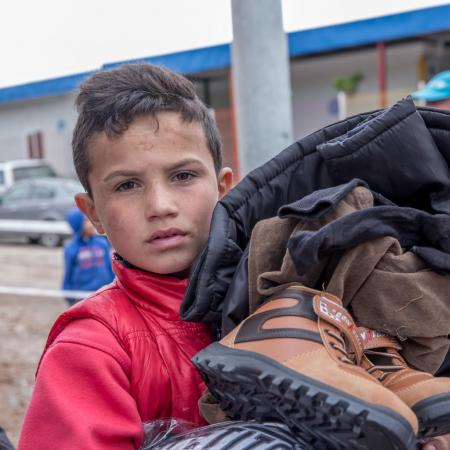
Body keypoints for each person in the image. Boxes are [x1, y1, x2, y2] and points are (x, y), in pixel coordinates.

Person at [18, 63, 233, 450]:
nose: (160, 206)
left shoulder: (281, 295)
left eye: (183, 176)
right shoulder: (91, 349)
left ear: (223, 188)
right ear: (93, 213)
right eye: (128, 185)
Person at [62, 207, 115, 306]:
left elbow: (109, 267)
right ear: (78, 225)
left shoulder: (102, 243)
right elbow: (68, 272)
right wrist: (69, 295)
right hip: (82, 297)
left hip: (104, 294)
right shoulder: (71, 248)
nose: (92, 224)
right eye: (86, 221)